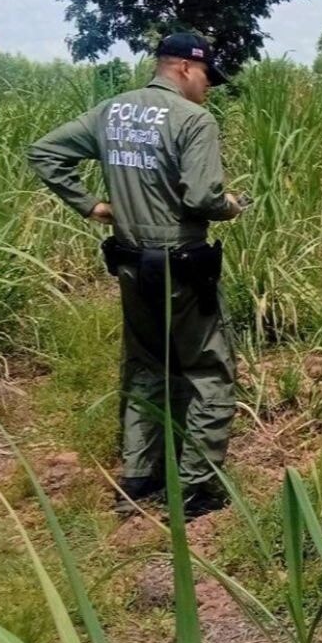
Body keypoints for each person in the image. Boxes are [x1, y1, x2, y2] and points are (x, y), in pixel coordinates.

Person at [26, 33, 244, 517]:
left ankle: (139, 476)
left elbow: (44, 152)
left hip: (128, 261)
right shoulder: (194, 119)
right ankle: (195, 487)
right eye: (208, 77)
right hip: (182, 266)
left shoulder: (112, 111)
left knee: (146, 365)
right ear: (186, 68)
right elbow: (202, 198)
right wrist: (230, 206)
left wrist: (92, 206)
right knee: (209, 370)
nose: (208, 88)